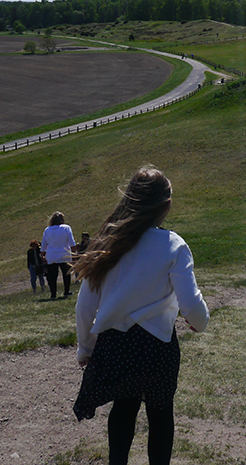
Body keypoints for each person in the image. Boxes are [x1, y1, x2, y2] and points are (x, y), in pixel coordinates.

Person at [72, 166, 209, 465]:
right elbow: (192, 304)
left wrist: (86, 348)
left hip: (116, 346)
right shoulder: (173, 245)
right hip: (157, 348)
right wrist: (199, 323)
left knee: (123, 408)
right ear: (166, 206)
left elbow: (85, 306)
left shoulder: (108, 243)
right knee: (161, 414)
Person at [41, 212, 76, 299]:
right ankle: (66, 291)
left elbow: (43, 246)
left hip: (51, 255)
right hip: (65, 254)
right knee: (66, 274)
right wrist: (74, 253)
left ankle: (53, 294)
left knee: (52, 276)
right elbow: (72, 243)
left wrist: (42, 255)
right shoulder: (66, 228)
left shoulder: (47, 230)